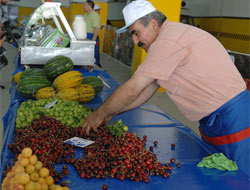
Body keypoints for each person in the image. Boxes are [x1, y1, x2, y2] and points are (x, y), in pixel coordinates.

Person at [82, 0, 249, 176]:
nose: (135, 41)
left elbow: (133, 89)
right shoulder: (169, 38)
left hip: (232, 118)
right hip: (216, 119)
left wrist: (99, 114)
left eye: (136, 33)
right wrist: (110, 112)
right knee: (221, 173)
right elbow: (144, 91)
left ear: (153, 24)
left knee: (240, 177)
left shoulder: (168, 41)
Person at [84, 0, 101, 67]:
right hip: (86, 35)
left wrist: (93, 41)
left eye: (85, 5)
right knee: (87, 53)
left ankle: (95, 67)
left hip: (92, 36)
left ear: (89, 6)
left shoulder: (95, 15)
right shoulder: (86, 14)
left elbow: (96, 29)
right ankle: (87, 66)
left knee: (93, 54)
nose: (84, 7)